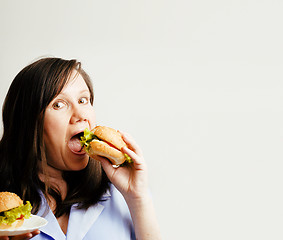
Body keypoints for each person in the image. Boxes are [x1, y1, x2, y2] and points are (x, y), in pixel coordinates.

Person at [0, 57, 161, 240]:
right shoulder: (5, 204)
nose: (80, 115)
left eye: (83, 100)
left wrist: (138, 198)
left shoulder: (122, 191)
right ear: (28, 124)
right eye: (59, 104)